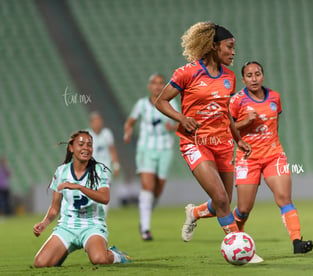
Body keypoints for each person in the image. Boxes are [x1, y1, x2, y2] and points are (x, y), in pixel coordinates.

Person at [155, 22, 253, 243]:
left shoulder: (229, 77)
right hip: (196, 143)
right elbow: (160, 101)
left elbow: (226, 112)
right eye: (229, 46)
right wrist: (181, 118)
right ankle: (240, 246)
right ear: (213, 46)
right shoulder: (187, 73)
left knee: (224, 201)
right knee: (220, 198)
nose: (233, 52)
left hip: (224, 143)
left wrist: (238, 139)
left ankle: (195, 212)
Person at [229, 61, 313, 254]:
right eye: (249, 75)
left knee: (284, 198)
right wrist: (244, 122)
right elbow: (227, 129)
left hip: (273, 156)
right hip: (247, 157)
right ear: (243, 79)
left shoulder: (275, 97)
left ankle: (297, 242)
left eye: (257, 74)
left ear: (263, 76)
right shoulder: (236, 101)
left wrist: (272, 144)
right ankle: (234, 241)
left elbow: (274, 125)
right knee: (243, 209)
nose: (254, 78)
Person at [33, 130, 131, 267]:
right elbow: (55, 207)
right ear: (71, 148)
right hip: (67, 226)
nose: (86, 148)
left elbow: (105, 198)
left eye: (89, 145)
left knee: (100, 259)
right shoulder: (61, 171)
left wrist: (79, 187)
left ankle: (117, 255)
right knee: (40, 263)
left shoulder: (98, 170)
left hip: (92, 225)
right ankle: (61, 253)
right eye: (81, 144)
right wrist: (43, 224)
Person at [124, 74, 178, 241]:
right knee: (147, 185)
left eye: (160, 83)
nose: (157, 86)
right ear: (149, 86)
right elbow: (130, 121)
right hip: (146, 149)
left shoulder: (171, 102)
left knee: (158, 187)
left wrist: (173, 126)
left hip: (165, 148)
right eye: (154, 83)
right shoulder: (141, 104)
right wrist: (128, 131)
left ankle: (146, 213)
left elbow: (179, 122)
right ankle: (145, 228)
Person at [87, 111, 120, 215]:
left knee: (104, 193)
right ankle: (93, 217)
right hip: (91, 169)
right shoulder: (87, 135)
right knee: (92, 194)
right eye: (96, 121)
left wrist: (116, 165)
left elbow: (112, 150)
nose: (98, 123)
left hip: (105, 168)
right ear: (91, 123)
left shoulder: (107, 133)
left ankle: (102, 218)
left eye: (99, 121)